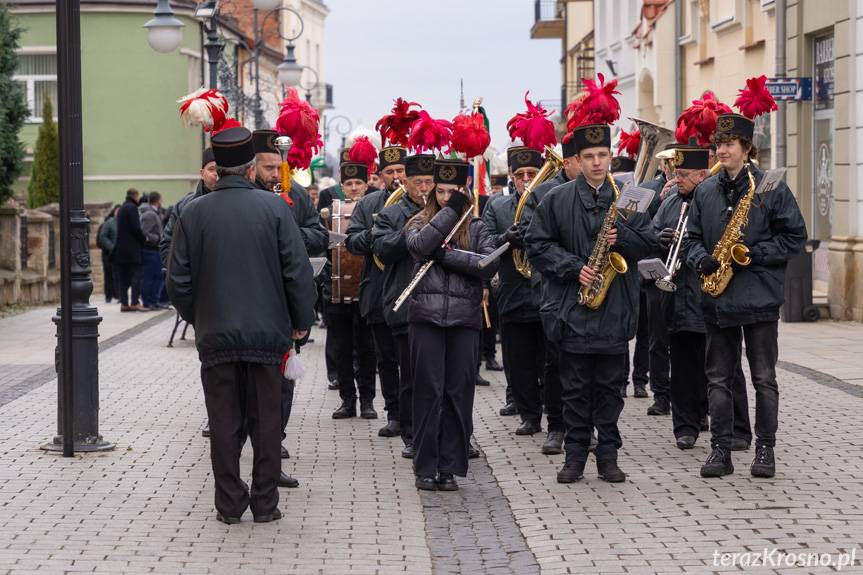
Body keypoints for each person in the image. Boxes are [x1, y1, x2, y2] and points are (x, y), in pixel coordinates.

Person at [167, 126, 316, 524]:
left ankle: (229, 503)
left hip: (216, 336)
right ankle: (265, 504)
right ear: (251, 169)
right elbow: (297, 272)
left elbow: (177, 282)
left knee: (223, 422)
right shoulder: (275, 209)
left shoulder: (192, 213)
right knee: (267, 422)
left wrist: (200, 316)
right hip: (269, 336)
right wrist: (301, 322)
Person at [525, 119, 655, 484]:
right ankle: (575, 457)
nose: (597, 162)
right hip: (574, 310)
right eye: (589, 156)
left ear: (611, 157)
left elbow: (650, 244)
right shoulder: (556, 199)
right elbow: (537, 245)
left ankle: (609, 457)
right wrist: (572, 268)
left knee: (612, 391)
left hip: (616, 310)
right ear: (577, 161)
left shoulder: (629, 198)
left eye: (602, 155)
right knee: (576, 390)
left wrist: (623, 237)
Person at [685, 99, 807, 478]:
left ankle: (765, 450)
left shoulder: (770, 188)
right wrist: (700, 257)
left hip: (758, 299)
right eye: (718, 145)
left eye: (731, 144)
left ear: (747, 148)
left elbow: (795, 237)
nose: (723, 150)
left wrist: (753, 254)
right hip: (717, 300)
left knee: (763, 379)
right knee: (718, 378)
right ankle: (721, 450)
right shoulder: (704, 191)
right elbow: (690, 238)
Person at [407, 158, 499, 491]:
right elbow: (420, 247)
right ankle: (425, 466)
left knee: (457, 394)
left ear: (465, 191)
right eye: (441, 191)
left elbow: (486, 264)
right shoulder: (418, 221)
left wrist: (446, 257)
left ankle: (449, 466)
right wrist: (451, 211)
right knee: (428, 392)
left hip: (464, 320)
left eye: (454, 192)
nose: (447, 197)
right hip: (426, 318)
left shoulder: (477, 227)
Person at [251, 129, 327, 489]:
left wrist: (290, 236)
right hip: (248, 304)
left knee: (280, 386)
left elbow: (319, 235)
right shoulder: (242, 196)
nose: (272, 174)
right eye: (266, 167)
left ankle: (273, 446)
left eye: (276, 167)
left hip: (281, 308)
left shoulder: (294, 194)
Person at [483, 146, 565, 450]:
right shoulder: (498, 206)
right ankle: (529, 415)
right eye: (521, 175)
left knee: (552, 359)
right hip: (515, 292)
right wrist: (507, 239)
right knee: (518, 361)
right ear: (512, 179)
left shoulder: (552, 198)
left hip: (546, 293)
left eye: (533, 174)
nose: (527, 180)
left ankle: (553, 411)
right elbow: (486, 243)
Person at [373, 152, 435, 458]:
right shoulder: (391, 213)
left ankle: (448, 433)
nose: (424, 187)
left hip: (440, 304)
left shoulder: (445, 209)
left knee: (441, 377)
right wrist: (410, 227)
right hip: (405, 303)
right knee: (410, 377)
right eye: (418, 181)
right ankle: (412, 434)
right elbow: (382, 250)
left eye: (429, 181)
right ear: (406, 182)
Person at [651, 145, 712, 449]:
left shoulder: (713, 200)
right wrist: (658, 238)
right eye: (676, 174)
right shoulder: (670, 202)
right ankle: (684, 426)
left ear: (703, 175)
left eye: (685, 175)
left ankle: (705, 413)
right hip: (675, 295)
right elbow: (650, 234)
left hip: (707, 294)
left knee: (711, 364)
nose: (678, 180)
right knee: (683, 365)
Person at [345, 144, 407, 433]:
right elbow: (352, 241)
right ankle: (394, 413)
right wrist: (378, 233)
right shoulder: (369, 204)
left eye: (400, 171)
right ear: (380, 175)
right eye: (390, 172)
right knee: (386, 358)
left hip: (412, 290)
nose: (396, 176)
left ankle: (412, 413)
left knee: (411, 358)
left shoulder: (422, 203)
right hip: (380, 290)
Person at [326, 162, 378, 420]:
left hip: (366, 289)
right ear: (341, 186)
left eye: (358, 183)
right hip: (338, 289)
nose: (354, 187)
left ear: (367, 185)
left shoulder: (373, 208)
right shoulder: (332, 210)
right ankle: (348, 400)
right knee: (342, 347)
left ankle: (368, 400)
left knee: (367, 347)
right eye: (349, 184)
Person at [160, 148, 218, 269]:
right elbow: (168, 242)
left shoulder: (231, 202)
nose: (216, 174)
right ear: (202, 173)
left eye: (219, 169)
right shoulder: (184, 205)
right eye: (211, 169)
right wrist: (176, 275)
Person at [114, 188, 146, 312]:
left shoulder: (122, 208)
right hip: (132, 249)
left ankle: (124, 303)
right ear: (135, 196)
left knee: (123, 278)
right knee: (136, 276)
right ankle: (134, 303)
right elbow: (136, 228)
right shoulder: (132, 208)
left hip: (121, 249)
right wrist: (144, 239)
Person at [139, 191, 164, 311]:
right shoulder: (150, 214)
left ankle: (154, 300)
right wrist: (157, 238)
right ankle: (148, 302)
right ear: (158, 200)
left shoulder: (153, 213)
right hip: (150, 250)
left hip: (154, 250)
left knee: (157, 276)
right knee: (150, 277)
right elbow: (144, 233)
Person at [96, 205, 120, 303]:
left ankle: (118, 295)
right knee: (109, 275)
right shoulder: (108, 224)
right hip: (108, 255)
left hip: (118, 254)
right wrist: (112, 248)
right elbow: (102, 238)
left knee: (118, 275)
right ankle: (109, 295)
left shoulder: (121, 223)